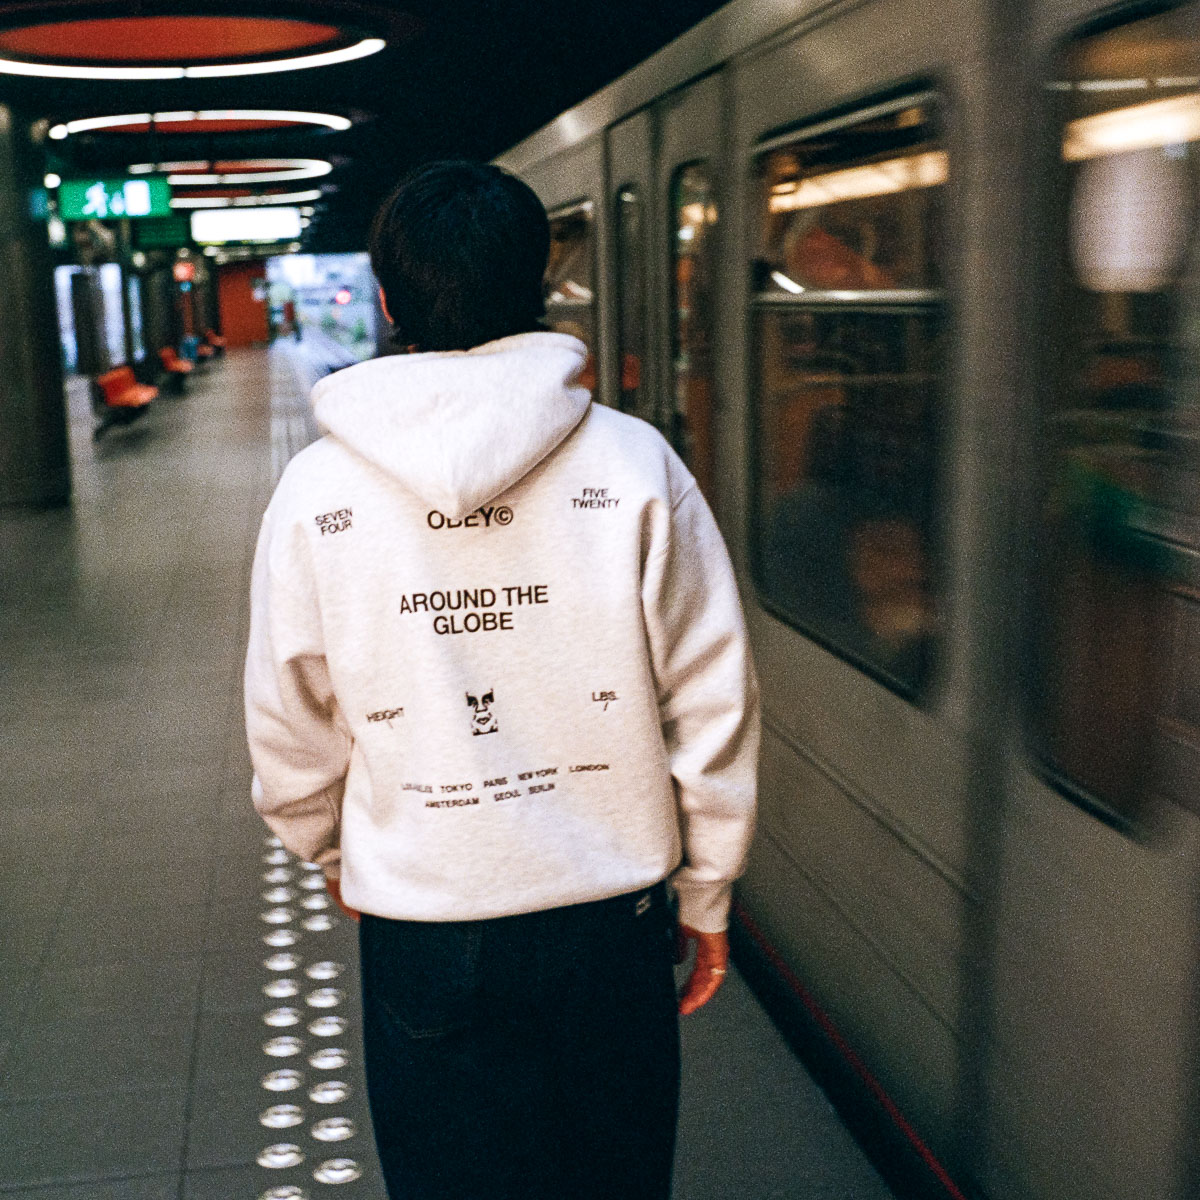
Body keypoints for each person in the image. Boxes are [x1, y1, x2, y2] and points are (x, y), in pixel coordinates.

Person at [244, 160, 759, 1200]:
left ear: (388, 300)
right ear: (543, 285)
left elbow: (288, 712)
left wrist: (331, 846)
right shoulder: (636, 462)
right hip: (610, 924)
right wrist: (706, 888)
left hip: (426, 923)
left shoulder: (317, 488)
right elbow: (711, 694)